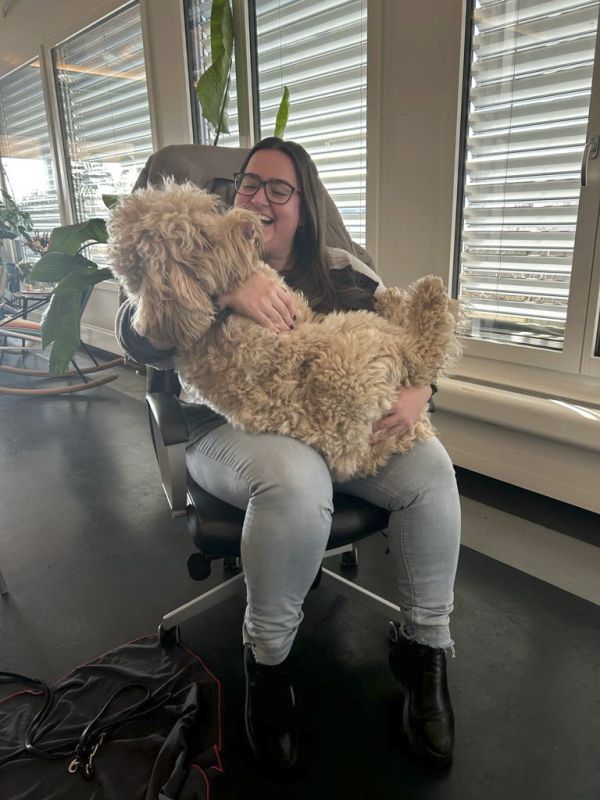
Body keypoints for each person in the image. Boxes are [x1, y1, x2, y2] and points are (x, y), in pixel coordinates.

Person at [116, 137, 461, 772]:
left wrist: (419, 391)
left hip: (336, 430)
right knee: (297, 482)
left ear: (305, 204)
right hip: (222, 429)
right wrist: (225, 292)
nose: (261, 198)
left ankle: (424, 650)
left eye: (280, 189)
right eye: (250, 185)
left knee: (432, 471)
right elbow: (137, 335)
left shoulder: (341, 270)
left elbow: (408, 338)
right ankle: (268, 661)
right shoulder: (201, 248)